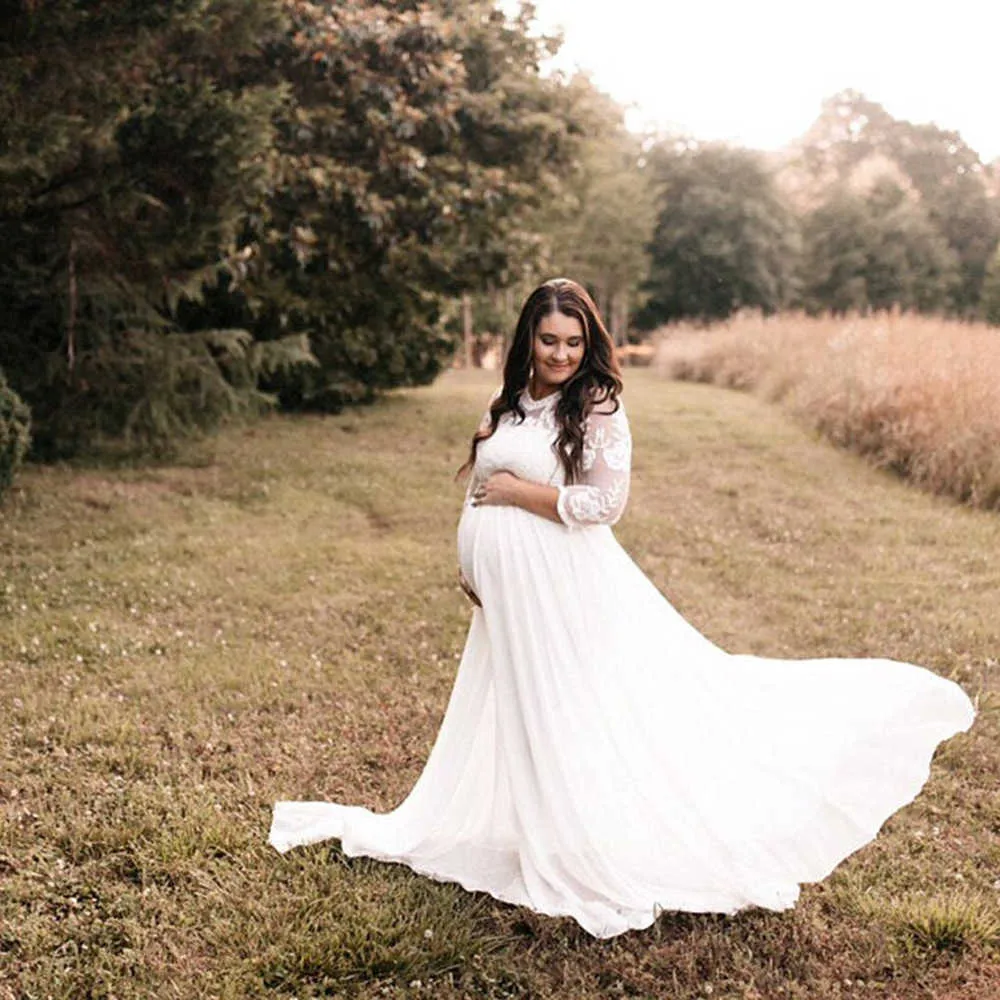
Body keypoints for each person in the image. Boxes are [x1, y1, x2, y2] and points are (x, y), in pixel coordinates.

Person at [269, 277, 976, 939]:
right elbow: (479, 482)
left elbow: (604, 505)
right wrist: (468, 560)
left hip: (565, 585)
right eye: (549, 341)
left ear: (590, 345)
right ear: (528, 339)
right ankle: (535, 824)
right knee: (520, 707)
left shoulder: (599, 405)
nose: (562, 355)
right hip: (506, 595)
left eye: (574, 344)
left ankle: (581, 840)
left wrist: (522, 497)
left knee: (572, 706)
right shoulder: (508, 399)